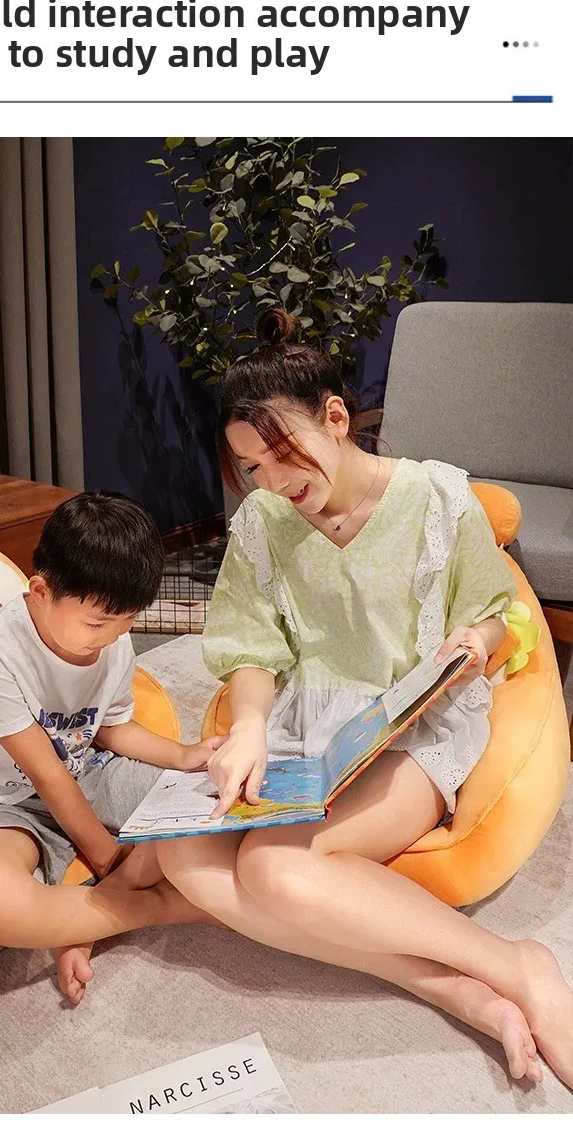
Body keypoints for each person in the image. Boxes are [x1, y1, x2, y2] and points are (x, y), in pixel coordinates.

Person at [153, 306, 573, 1090]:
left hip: (409, 731)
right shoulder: (263, 522)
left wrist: (474, 646)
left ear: (336, 418)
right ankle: (446, 987)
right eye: (251, 467)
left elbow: (496, 615)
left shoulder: (440, 499)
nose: (272, 482)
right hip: (306, 728)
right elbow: (251, 644)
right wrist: (249, 725)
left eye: (281, 454)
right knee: (180, 852)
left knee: (272, 872)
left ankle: (516, 964)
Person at [0, 491, 221, 1003]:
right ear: (40, 591)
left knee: (214, 802)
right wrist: (108, 859)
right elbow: (46, 775)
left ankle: (83, 920)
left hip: (86, 770)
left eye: (128, 621)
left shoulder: (112, 640)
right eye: (97, 623)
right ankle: (155, 906)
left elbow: (110, 728)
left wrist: (184, 756)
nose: (112, 637)